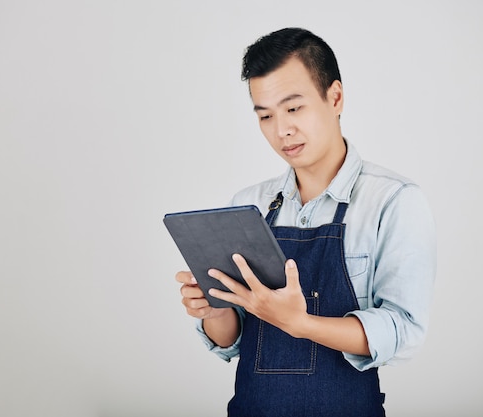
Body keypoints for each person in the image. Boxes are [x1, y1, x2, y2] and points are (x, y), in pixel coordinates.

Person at [175, 27, 436, 417]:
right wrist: (216, 310)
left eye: (294, 108)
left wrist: (302, 324)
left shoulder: (394, 201)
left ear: (335, 97)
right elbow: (231, 341)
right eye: (265, 115)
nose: (282, 130)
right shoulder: (248, 205)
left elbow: (402, 331)